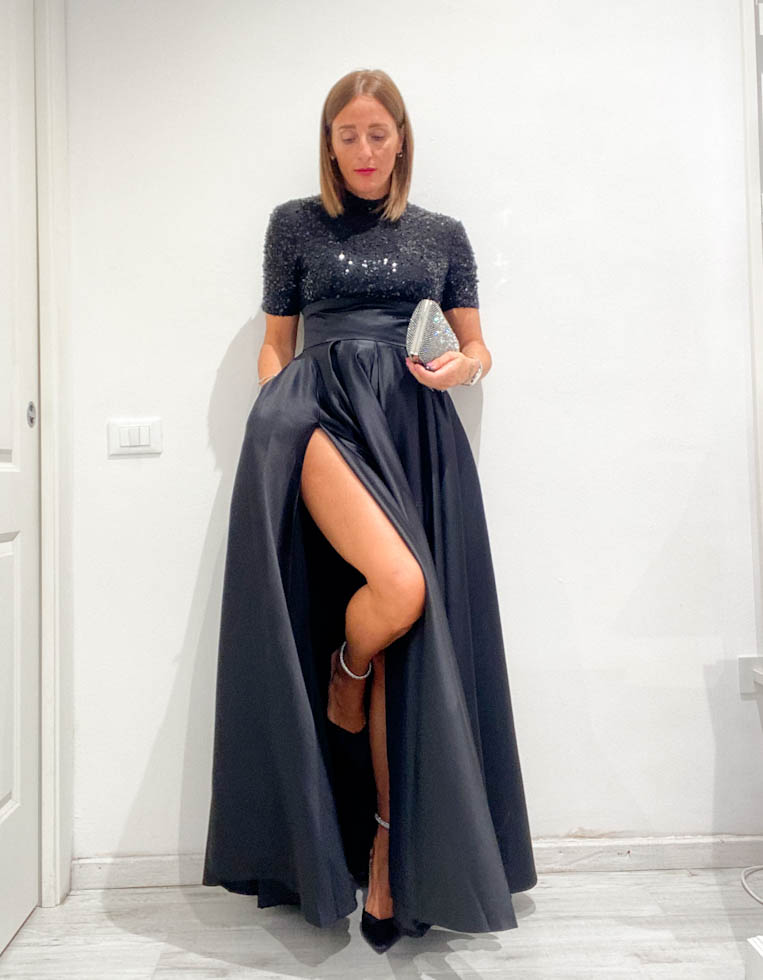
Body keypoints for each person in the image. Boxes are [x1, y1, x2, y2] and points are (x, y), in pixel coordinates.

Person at [202, 68, 537, 953]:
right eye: (346, 134)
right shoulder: (293, 225)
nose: (362, 149)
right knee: (400, 585)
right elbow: (277, 345)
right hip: (312, 420)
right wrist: (277, 422)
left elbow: (477, 346)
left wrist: (461, 368)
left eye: (376, 134)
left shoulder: (442, 234)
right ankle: (341, 676)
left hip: (411, 433)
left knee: (408, 644)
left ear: (400, 141)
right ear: (329, 143)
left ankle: (387, 856)